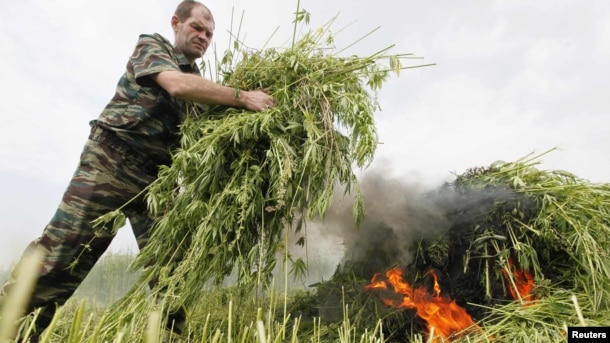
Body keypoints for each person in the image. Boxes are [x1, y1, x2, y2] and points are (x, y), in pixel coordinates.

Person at [0, 1, 275, 341]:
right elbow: (174, 85)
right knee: (62, 259)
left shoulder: (200, 84)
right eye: (197, 28)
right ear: (177, 23)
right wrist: (243, 96)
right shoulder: (153, 47)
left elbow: (205, 136)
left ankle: (173, 336)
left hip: (155, 184)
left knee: (174, 270)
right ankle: (10, 329)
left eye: (209, 34)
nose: (203, 37)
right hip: (110, 165)